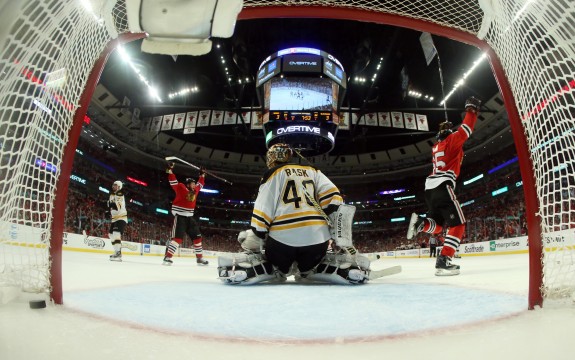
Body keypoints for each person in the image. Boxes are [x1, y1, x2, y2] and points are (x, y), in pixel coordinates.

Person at [217, 143, 371, 285]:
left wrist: (257, 235)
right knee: (310, 267)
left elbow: (263, 209)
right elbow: (335, 200)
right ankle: (322, 269)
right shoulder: (314, 171)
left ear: (270, 158)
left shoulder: (272, 174)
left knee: (261, 251)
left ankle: (266, 269)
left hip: (283, 242)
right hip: (317, 242)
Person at [407, 96, 481, 276]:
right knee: (459, 224)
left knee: (438, 226)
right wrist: (471, 109)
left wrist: (445, 132)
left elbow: (448, 144)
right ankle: (444, 260)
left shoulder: (436, 146)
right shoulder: (452, 140)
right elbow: (466, 129)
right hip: (443, 185)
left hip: (430, 189)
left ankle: (421, 223)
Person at [163, 161, 208, 266]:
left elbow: (200, 184)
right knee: (177, 239)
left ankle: (199, 259)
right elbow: (172, 180)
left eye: (194, 184)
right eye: (192, 184)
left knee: (197, 238)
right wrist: (169, 170)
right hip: (180, 217)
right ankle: (167, 257)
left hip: (190, 218)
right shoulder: (181, 187)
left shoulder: (195, 190)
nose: (194, 185)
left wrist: (202, 174)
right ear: (188, 185)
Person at [108, 180, 127, 262]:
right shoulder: (112, 195)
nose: (113, 186)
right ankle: (116, 251)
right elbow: (110, 205)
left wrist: (110, 204)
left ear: (119, 187)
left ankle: (118, 252)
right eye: (113, 184)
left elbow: (117, 206)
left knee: (116, 233)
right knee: (110, 235)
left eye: (115, 185)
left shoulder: (120, 193)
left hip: (121, 217)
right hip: (114, 218)